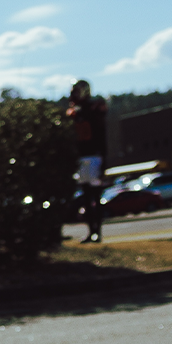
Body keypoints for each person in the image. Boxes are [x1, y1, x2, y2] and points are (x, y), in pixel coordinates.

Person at [66, 79, 109, 243]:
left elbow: (101, 135)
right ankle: (91, 231)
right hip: (82, 157)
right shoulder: (75, 112)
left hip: (94, 157)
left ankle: (97, 232)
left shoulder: (93, 110)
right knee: (86, 196)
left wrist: (104, 160)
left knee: (95, 197)